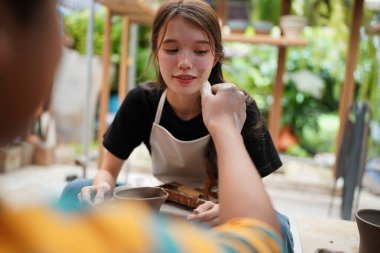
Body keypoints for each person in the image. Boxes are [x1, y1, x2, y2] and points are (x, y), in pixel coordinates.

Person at [0, 1, 285, 252]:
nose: (184, 63)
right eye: (171, 49)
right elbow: (107, 171)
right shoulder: (143, 101)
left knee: (281, 225)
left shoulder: (237, 105)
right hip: (167, 196)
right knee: (79, 186)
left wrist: (224, 205)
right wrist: (100, 186)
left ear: (216, 56)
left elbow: (251, 194)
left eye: (200, 51)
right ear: (156, 53)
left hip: (217, 208)